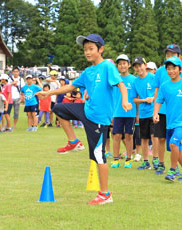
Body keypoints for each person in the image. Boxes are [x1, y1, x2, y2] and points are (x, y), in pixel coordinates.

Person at [36, 34, 132, 205]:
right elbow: (71, 86)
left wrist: (125, 100)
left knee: (98, 156)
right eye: (85, 49)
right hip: (86, 111)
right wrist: (48, 93)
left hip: (99, 120)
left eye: (91, 49)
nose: (87, 52)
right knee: (58, 108)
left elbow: (121, 85)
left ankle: (105, 194)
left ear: (100, 49)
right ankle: (73, 141)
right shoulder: (88, 72)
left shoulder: (108, 67)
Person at [153, 44, 182, 175]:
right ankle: (161, 163)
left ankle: (176, 167)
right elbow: (157, 90)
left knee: (175, 143)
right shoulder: (159, 71)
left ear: (179, 56)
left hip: (176, 113)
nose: (169, 56)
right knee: (161, 138)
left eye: (173, 54)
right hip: (162, 110)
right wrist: (155, 111)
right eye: (167, 54)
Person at [110, 54, 137, 169]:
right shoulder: (114, 79)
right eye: (120, 64)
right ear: (117, 66)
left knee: (129, 136)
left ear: (129, 65)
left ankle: (128, 160)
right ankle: (116, 159)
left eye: (124, 63)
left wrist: (137, 114)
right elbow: (111, 97)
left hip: (130, 113)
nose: (122, 66)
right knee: (116, 135)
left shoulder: (134, 80)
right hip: (117, 112)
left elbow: (137, 98)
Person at [132, 56, 158, 169]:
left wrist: (153, 98)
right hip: (142, 113)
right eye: (136, 67)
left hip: (154, 112)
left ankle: (156, 160)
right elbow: (133, 99)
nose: (138, 69)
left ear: (145, 66)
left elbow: (160, 92)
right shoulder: (135, 81)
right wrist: (143, 100)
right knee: (144, 138)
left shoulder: (153, 78)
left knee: (155, 136)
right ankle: (146, 161)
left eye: (140, 66)